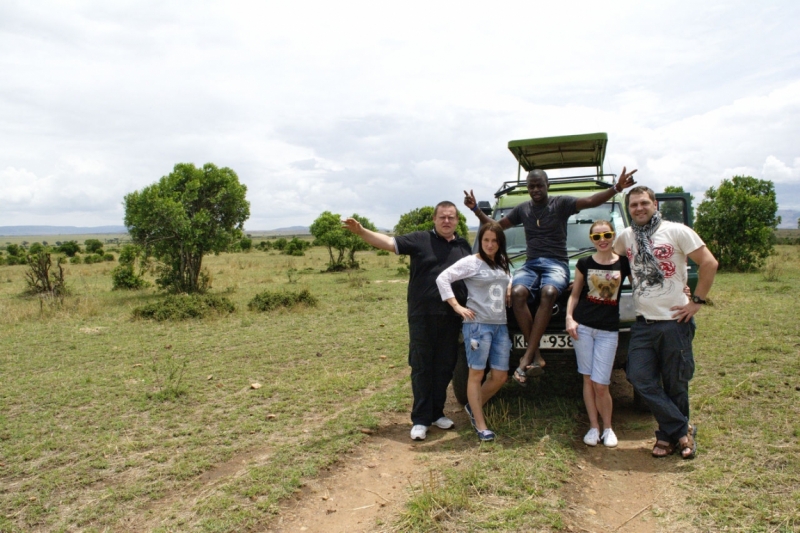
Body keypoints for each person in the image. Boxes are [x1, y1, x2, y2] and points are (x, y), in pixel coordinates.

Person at [464, 167, 637, 384]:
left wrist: (617, 188)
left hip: (556, 264)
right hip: (530, 265)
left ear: (548, 186)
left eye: (539, 185)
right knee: (517, 292)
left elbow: (591, 201)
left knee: (549, 291)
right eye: (531, 186)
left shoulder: (561, 204)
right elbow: (495, 226)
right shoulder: (523, 209)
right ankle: (536, 355)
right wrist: (475, 209)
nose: (535, 189)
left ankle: (527, 355)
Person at [343, 202, 472, 441]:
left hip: (453, 317)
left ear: (457, 221)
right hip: (422, 314)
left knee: (445, 366)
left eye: (451, 218)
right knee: (422, 366)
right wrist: (361, 231)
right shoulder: (420, 239)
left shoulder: (463, 246)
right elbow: (389, 243)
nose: (446, 221)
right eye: (442, 217)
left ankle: (436, 413)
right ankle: (421, 419)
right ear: (434, 219)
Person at [614, 186, 718, 459]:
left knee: (675, 382)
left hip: (674, 321)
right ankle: (683, 429)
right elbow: (610, 260)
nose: (639, 208)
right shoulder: (626, 237)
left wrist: (697, 301)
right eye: (634, 204)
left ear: (655, 204)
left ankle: (666, 437)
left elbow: (709, 264)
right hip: (643, 323)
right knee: (638, 376)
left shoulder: (676, 231)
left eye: (644, 203)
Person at [436, 222, 512, 442]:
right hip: (478, 325)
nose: (490, 244)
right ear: (480, 241)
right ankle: (480, 424)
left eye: (494, 241)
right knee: (476, 374)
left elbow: (509, 276)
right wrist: (456, 306)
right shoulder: (472, 262)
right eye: (486, 240)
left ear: (500, 243)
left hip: (500, 326)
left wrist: (509, 285)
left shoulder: (502, 262)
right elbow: (443, 278)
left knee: (500, 376)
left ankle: (472, 407)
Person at [565, 220, 630, 448]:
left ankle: (608, 427)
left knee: (601, 383)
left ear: (614, 236)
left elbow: (642, 285)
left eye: (607, 235)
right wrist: (569, 318)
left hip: (608, 330)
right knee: (587, 379)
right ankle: (593, 427)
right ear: (591, 240)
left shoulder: (623, 263)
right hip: (583, 327)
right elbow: (575, 295)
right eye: (597, 237)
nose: (602, 240)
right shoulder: (584, 263)